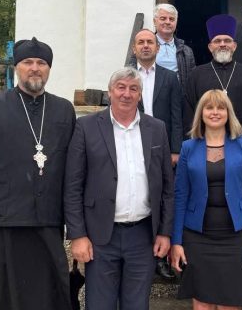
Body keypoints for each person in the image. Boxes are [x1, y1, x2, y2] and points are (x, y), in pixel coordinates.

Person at [0, 37, 76, 310]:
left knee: (51, 297)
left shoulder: (63, 109)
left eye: (41, 63)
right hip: (3, 224)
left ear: (49, 69)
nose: (35, 68)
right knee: (5, 299)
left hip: (48, 222)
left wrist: (76, 227)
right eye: (27, 62)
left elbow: (74, 172)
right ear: (16, 68)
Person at [64, 67, 174, 310]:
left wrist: (165, 232)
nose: (127, 94)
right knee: (99, 304)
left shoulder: (157, 128)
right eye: (121, 87)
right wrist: (78, 236)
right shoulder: (87, 127)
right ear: (110, 92)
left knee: (137, 304)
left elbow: (167, 186)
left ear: (140, 95)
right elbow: (72, 186)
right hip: (100, 235)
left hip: (143, 235)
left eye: (133, 89)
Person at [171, 89, 242, 309]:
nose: (215, 112)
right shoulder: (188, 148)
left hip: (235, 238)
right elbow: (180, 197)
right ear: (201, 113)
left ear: (228, 113)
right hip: (197, 238)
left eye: (221, 108)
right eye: (209, 107)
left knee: (230, 303)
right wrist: (176, 242)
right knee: (201, 304)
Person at [132, 28, 182, 280]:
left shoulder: (169, 78)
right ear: (134, 49)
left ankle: (160, 257)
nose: (145, 46)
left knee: (162, 196)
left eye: (150, 42)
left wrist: (175, 149)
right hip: (132, 141)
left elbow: (176, 115)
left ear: (158, 48)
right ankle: (141, 254)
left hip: (161, 144)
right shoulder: (127, 77)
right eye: (140, 42)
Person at [183, 14, 242, 141]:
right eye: (217, 41)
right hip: (205, 140)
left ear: (234, 46)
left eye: (227, 40)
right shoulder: (196, 75)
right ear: (210, 47)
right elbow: (189, 114)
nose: (222, 44)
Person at [128, 3, 196, 91]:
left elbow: (192, 79)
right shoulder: (143, 47)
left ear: (176, 22)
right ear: (154, 22)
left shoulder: (186, 51)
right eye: (163, 18)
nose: (167, 22)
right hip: (150, 93)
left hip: (176, 95)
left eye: (171, 19)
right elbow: (131, 71)